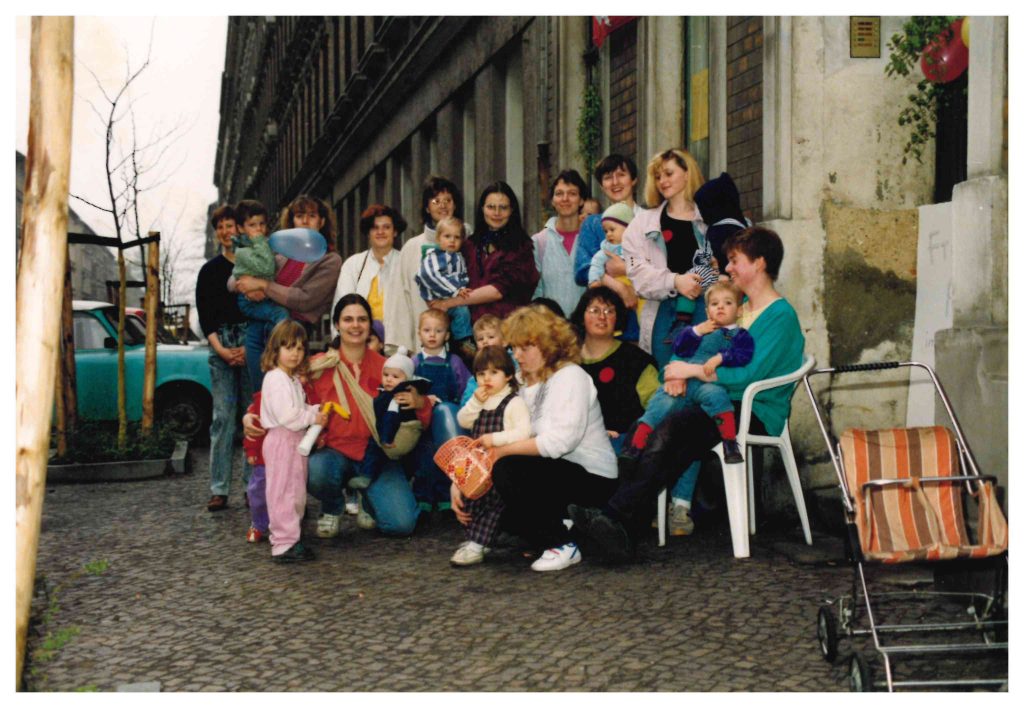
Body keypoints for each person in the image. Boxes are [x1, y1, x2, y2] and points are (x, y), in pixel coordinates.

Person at [569, 227, 805, 561]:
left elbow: (748, 375)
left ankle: (616, 518)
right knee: (659, 422)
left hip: (755, 410)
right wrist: (679, 375)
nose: (729, 268)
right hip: (715, 398)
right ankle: (617, 520)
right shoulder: (740, 308)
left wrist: (690, 373)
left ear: (760, 263)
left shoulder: (780, 316)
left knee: (675, 429)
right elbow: (704, 349)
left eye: (735, 261)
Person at [243, 295, 433, 538]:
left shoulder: (389, 369)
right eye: (348, 319)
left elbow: (420, 416)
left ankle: (367, 500)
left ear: (370, 325)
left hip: (376, 455)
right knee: (314, 469)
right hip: (332, 453)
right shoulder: (317, 366)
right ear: (337, 325)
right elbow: (277, 392)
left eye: (362, 319)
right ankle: (332, 505)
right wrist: (250, 416)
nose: (355, 325)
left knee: (402, 524)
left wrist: (419, 403)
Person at [457, 305, 618, 572]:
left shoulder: (571, 376)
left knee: (507, 470)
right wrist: (461, 479)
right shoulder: (519, 380)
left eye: (524, 347)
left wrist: (500, 453)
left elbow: (559, 443)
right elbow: (489, 428)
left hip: (592, 476)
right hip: (552, 471)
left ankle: (562, 544)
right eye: (514, 348)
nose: (516, 355)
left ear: (548, 344)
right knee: (484, 500)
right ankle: (566, 524)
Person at [623, 280, 754, 464]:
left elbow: (744, 355)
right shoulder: (700, 330)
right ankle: (637, 442)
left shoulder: (740, 335)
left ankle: (730, 443)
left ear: (739, 311)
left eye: (728, 303)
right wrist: (696, 331)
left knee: (718, 397)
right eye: (715, 304)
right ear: (708, 311)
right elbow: (680, 349)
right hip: (685, 383)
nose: (721, 307)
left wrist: (721, 358)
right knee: (662, 400)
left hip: (709, 383)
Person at [234, 194, 343, 390]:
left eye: (312, 215)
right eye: (299, 215)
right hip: (258, 328)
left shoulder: (330, 260)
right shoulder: (280, 253)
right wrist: (246, 284)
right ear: (292, 221)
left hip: (292, 335)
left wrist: (262, 285)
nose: (305, 220)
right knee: (259, 394)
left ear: (322, 221)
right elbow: (236, 277)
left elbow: (304, 300)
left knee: (283, 392)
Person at [622, 148, 709, 366]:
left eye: (669, 174)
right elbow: (637, 273)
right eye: (658, 177)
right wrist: (675, 281)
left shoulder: (710, 219)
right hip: (663, 313)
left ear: (687, 173)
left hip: (707, 309)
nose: (662, 181)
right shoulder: (642, 223)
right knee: (667, 380)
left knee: (704, 380)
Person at [449, 346, 532, 567]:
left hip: (503, 466)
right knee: (468, 500)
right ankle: (479, 538)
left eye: (494, 372)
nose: (487, 378)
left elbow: (524, 432)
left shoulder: (514, 402)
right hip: (477, 466)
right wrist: (475, 402)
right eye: (481, 373)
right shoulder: (480, 401)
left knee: (493, 501)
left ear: (508, 375)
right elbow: (463, 420)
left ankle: (478, 543)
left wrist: (494, 439)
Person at [195, 204, 251, 512]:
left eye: (231, 226)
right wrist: (222, 350)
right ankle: (219, 488)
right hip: (221, 346)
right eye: (221, 227)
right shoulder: (209, 271)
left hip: (250, 344)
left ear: (240, 229)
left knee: (252, 418)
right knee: (223, 419)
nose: (226, 232)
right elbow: (206, 317)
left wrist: (248, 348)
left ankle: (250, 486)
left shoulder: (251, 265)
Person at [259, 320, 328, 562]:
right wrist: (312, 416)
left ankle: (291, 537)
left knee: (295, 491)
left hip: (294, 440)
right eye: (288, 347)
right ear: (275, 350)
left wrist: (313, 409)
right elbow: (288, 416)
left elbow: (298, 408)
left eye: (299, 348)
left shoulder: (292, 379)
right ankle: (283, 544)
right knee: (283, 492)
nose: (295, 353)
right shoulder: (276, 379)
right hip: (281, 439)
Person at [429, 182, 539, 325]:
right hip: (470, 330)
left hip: (507, 330)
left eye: (503, 208)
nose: (496, 213)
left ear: (512, 210)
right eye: (491, 207)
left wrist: (448, 303)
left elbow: (498, 290)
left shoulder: (521, 247)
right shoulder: (470, 244)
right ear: (482, 209)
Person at [570, 287, 659, 456]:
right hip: (576, 445)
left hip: (626, 447)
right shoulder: (567, 364)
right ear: (582, 317)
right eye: (595, 310)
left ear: (617, 318)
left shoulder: (636, 360)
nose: (602, 316)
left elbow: (657, 408)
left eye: (609, 311)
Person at [411, 308, 472, 510]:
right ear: (419, 333)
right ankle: (423, 499)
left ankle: (448, 497)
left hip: (448, 422)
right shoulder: (414, 362)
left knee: (447, 457)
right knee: (425, 458)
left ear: (447, 335)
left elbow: (465, 390)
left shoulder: (454, 362)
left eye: (438, 331)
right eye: (427, 330)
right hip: (422, 421)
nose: (432, 335)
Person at [334, 204, 412, 356]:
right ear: (368, 233)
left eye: (386, 227)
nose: (380, 232)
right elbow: (340, 306)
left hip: (398, 349)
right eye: (375, 227)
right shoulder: (353, 264)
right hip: (360, 345)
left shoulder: (406, 263)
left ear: (395, 231)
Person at [398, 176, 465, 351]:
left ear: (455, 205)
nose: (442, 205)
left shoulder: (468, 240)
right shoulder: (412, 247)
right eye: (436, 201)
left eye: (448, 200)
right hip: (425, 341)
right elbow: (402, 300)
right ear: (427, 207)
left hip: (463, 338)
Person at [349, 347, 429, 490]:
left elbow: (391, 418)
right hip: (395, 432)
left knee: (374, 446)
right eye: (386, 375)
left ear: (407, 379)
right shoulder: (386, 392)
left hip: (395, 434)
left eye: (395, 377)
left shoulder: (396, 397)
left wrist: (386, 438)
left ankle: (367, 475)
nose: (389, 379)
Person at [572, 154, 643, 312]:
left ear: (634, 180)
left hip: (647, 308)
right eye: (608, 177)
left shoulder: (650, 220)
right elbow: (582, 270)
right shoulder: (593, 223)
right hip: (606, 313)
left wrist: (626, 269)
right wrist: (621, 288)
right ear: (602, 186)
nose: (615, 182)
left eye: (621, 175)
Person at [233, 199, 290, 387]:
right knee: (280, 315)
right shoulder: (242, 251)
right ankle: (281, 353)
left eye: (262, 224)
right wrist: (260, 241)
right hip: (248, 301)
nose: (258, 230)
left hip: (261, 299)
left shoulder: (264, 245)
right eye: (252, 225)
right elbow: (266, 268)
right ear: (241, 228)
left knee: (259, 332)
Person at [532, 169, 589, 318]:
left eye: (572, 193)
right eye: (559, 193)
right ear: (552, 200)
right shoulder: (539, 241)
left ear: (582, 200)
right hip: (550, 328)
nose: (565, 199)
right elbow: (536, 291)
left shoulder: (591, 239)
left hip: (586, 328)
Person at [587, 202, 643, 342]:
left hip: (638, 292)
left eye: (612, 229)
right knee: (614, 309)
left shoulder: (639, 246)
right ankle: (617, 330)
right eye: (606, 231)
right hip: (615, 291)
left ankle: (641, 330)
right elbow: (595, 264)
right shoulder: (607, 250)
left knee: (641, 312)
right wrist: (594, 280)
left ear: (629, 228)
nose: (609, 234)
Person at [415, 216, 472, 347]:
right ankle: (458, 342)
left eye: (457, 237)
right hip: (437, 301)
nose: (452, 240)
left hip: (452, 300)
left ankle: (462, 342)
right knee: (437, 325)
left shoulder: (458, 257)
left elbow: (463, 276)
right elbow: (429, 275)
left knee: (462, 313)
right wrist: (456, 289)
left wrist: (463, 286)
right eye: (447, 236)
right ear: (438, 239)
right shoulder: (434, 256)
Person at [243, 391, 268, 543]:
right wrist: (252, 449)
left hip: (287, 457)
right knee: (258, 492)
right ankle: (258, 523)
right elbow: (254, 426)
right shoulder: (263, 397)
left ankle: (283, 527)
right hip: (264, 457)